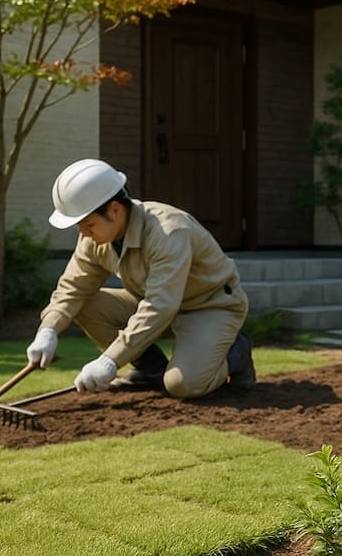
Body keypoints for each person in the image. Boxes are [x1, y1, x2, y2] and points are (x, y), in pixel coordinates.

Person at [26, 158, 255, 398]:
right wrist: (48, 330)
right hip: (155, 302)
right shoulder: (92, 238)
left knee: (183, 385)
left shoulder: (168, 232)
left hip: (209, 306)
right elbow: (73, 288)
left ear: (115, 210)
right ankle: (151, 371)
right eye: (79, 226)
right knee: (84, 305)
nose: (83, 233)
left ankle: (237, 353)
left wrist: (109, 360)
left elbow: (159, 306)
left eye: (88, 224)